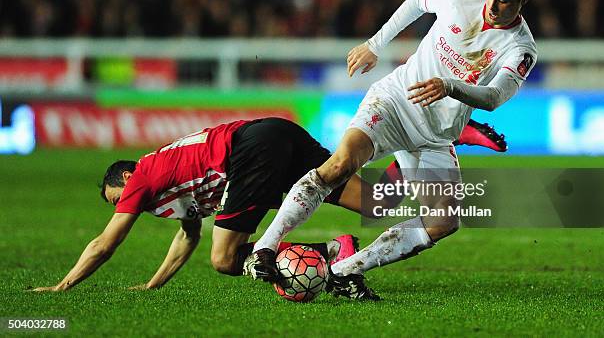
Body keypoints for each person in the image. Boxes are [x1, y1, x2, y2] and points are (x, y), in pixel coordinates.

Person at [244, 0, 540, 300]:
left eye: (504, 1)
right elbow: (417, 1)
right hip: (394, 103)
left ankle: (343, 271)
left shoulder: (520, 48)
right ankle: (264, 248)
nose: (492, 7)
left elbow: (492, 97)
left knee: (443, 222)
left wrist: (449, 86)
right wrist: (375, 44)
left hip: (434, 137)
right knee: (340, 164)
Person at [31, 114, 505, 294]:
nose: (124, 207)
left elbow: (104, 244)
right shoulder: (167, 184)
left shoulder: (143, 179)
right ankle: (444, 135)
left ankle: (316, 261)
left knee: (225, 260)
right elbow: (186, 238)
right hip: (271, 132)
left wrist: (62, 287)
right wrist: (152, 286)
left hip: (248, 154)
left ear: (127, 179)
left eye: (119, 199)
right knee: (379, 203)